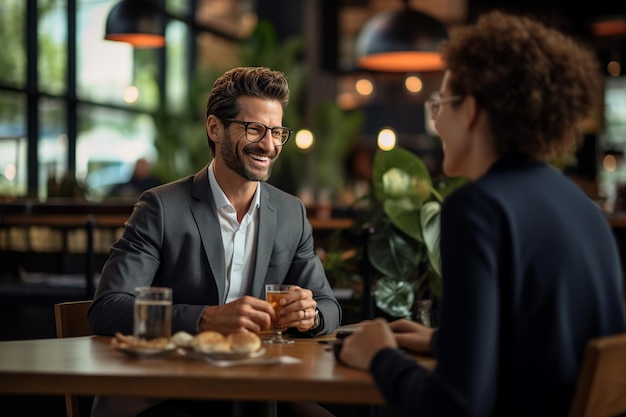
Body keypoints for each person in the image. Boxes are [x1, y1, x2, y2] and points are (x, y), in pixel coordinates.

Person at [337, 10, 626, 417]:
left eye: (442, 103)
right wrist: (443, 343)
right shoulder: (582, 208)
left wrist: (380, 355)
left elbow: (456, 405)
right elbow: (545, 347)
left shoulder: (478, 208)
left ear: (470, 110)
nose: (435, 118)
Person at [88, 66, 342, 417]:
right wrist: (206, 319)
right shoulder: (161, 207)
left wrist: (309, 314)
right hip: (168, 391)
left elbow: (329, 305)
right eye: (254, 129)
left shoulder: (290, 213)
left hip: (260, 390)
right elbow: (107, 307)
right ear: (214, 127)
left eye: (277, 132)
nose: (269, 145)